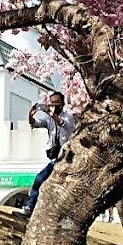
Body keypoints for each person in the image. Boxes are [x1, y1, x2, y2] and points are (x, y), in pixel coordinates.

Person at [16, 90, 76, 220]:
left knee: (40, 179)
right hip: (56, 156)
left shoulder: (68, 117)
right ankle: (31, 208)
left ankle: (31, 208)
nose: (54, 105)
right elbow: (35, 124)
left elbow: (64, 124)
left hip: (67, 156)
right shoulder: (49, 119)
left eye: (57, 103)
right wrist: (31, 115)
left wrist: (52, 115)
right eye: (52, 103)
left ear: (63, 103)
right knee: (41, 181)